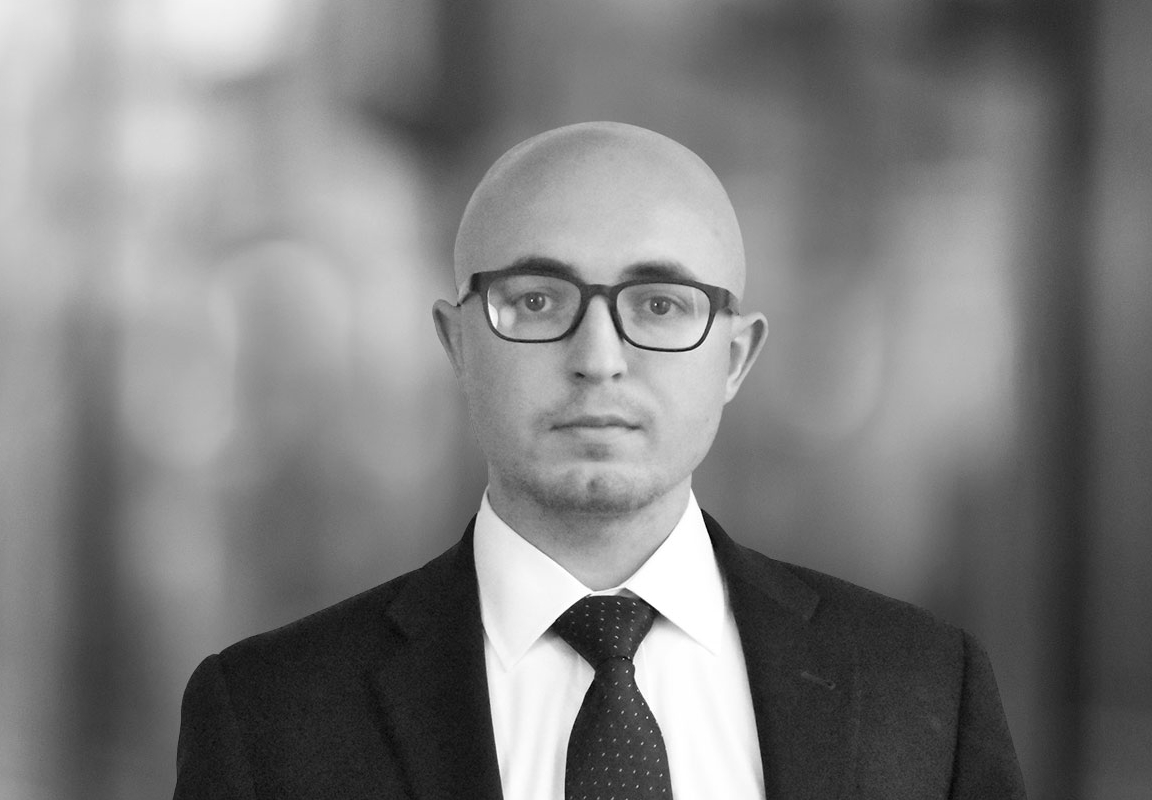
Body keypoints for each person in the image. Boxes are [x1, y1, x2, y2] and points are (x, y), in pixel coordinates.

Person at [173, 121, 1027, 799]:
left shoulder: (923, 690)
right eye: (537, 300)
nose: (598, 358)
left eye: (659, 305)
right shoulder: (268, 715)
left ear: (735, 358)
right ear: (457, 342)